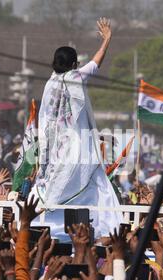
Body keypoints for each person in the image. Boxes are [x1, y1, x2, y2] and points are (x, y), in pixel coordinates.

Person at [31, 18, 123, 241]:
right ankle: (102, 231)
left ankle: (48, 227)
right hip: (75, 148)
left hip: (54, 149)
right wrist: (107, 40)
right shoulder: (75, 78)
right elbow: (95, 63)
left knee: (56, 185)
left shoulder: (50, 83)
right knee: (90, 182)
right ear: (73, 64)